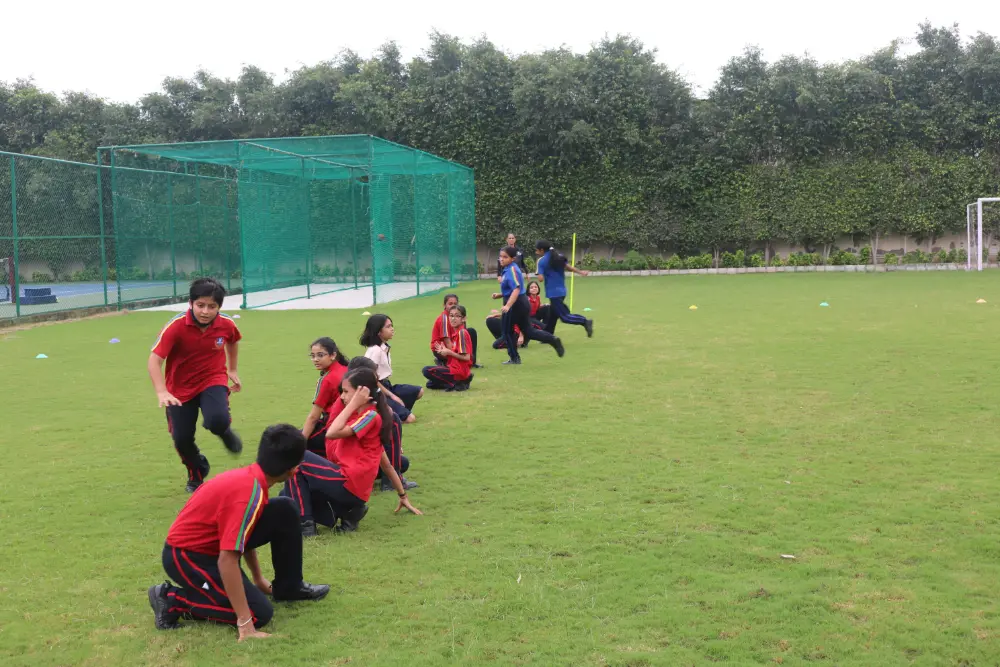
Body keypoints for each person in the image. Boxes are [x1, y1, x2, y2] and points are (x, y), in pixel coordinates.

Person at [146, 424, 330, 639]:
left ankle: (289, 588)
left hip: (212, 547)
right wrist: (245, 623)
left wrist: (258, 579)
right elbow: (227, 560)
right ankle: (171, 599)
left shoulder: (255, 480)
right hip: (187, 557)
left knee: (284, 509)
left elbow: (245, 531)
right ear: (293, 470)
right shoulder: (248, 494)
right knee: (258, 613)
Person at [283, 368, 422, 537]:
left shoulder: (370, 417)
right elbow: (387, 466)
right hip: (351, 487)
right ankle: (347, 512)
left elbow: (331, 433)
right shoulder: (367, 418)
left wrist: (353, 404)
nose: (342, 396)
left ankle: (307, 526)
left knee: (298, 457)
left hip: (348, 484)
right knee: (288, 495)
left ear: (361, 393)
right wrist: (403, 496)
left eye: (346, 392)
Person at [147, 278, 244, 493]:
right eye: (200, 305)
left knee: (217, 420)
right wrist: (161, 391)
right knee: (181, 439)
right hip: (178, 390)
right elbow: (154, 360)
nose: (205, 312)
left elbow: (232, 340)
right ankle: (196, 473)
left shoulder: (226, 324)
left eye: (212, 306)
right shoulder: (176, 326)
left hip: (212, 378)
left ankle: (224, 431)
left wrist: (232, 369)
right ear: (190, 303)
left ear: (219, 307)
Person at [346, 356, 418, 493]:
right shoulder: (358, 394)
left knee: (402, 462)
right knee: (393, 421)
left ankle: (389, 476)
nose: (377, 378)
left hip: (352, 452)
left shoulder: (351, 387)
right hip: (349, 455)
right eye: (374, 375)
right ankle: (391, 481)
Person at [493, 246, 564, 365]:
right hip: (520, 303)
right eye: (500, 256)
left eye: (505, 257)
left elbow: (516, 289)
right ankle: (553, 340)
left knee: (507, 332)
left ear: (513, 258)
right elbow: (513, 289)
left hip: (516, 305)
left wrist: (508, 305)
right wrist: (500, 295)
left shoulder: (511, 270)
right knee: (529, 331)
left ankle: (514, 358)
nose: (501, 259)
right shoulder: (509, 268)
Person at [361, 314, 423, 423]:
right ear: (379, 331)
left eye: (391, 325)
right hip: (377, 391)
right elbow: (372, 380)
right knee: (410, 419)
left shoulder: (383, 347)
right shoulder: (375, 351)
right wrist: (392, 396)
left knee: (418, 391)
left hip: (386, 386)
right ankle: (382, 411)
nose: (392, 329)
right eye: (388, 327)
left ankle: (396, 411)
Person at [301, 337, 350, 457]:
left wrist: (300, 443)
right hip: (349, 422)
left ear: (333, 355)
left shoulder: (327, 380)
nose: (315, 359)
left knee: (291, 444)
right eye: (313, 356)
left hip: (333, 426)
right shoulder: (346, 369)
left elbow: (314, 417)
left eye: (320, 355)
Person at [535, 240, 594, 337]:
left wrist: (539, 270)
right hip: (562, 291)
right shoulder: (559, 256)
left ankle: (585, 321)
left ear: (542, 250)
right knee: (552, 314)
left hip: (553, 293)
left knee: (565, 317)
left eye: (537, 250)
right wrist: (580, 272)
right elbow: (568, 267)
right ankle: (548, 335)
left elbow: (540, 279)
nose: (536, 252)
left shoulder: (541, 261)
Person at [422, 305, 474, 391]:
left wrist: (449, 352)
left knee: (426, 370)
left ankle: (459, 382)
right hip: (454, 368)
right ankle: (458, 382)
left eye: (457, 316)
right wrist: (444, 351)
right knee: (430, 384)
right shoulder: (455, 333)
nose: (453, 318)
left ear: (463, 319)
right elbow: (456, 354)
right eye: (451, 315)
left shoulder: (462, 333)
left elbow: (466, 357)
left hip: (459, 371)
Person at [431, 293, 480, 368]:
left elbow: (463, 335)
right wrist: (455, 354)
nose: (453, 306)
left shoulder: (459, 315)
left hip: (453, 342)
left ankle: (471, 362)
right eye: (450, 304)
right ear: (444, 305)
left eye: (455, 304)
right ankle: (443, 361)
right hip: (441, 348)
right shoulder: (444, 319)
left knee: (471, 331)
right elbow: (447, 341)